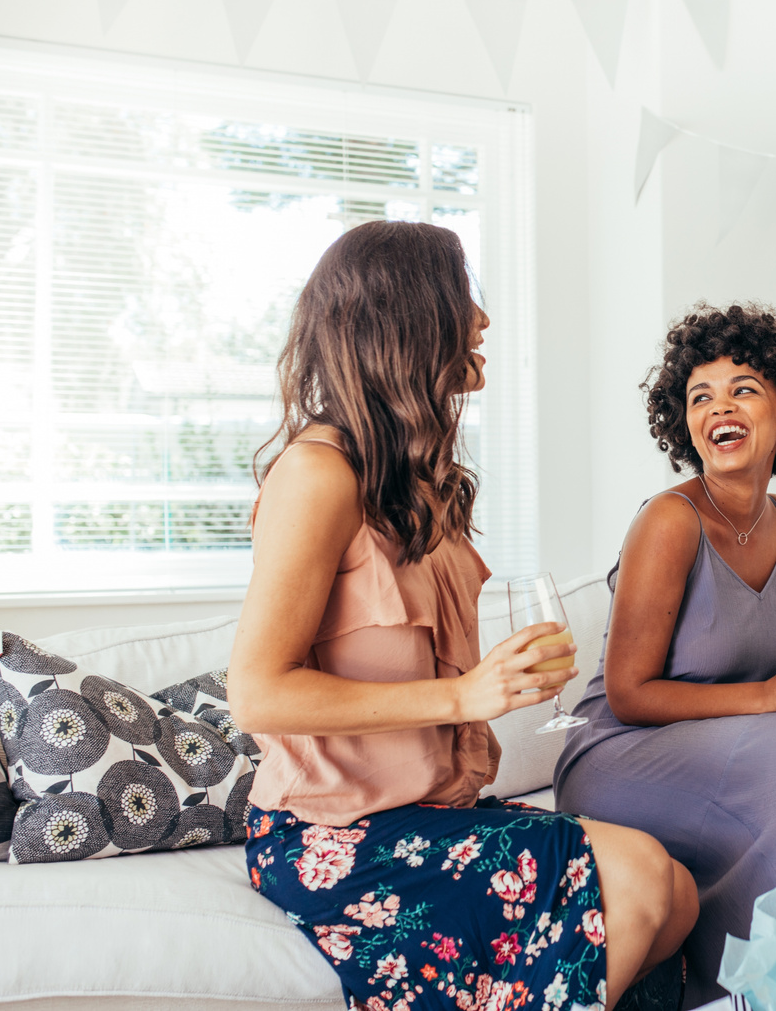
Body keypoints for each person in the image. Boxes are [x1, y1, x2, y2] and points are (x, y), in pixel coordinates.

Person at [228, 222, 697, 1011]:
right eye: (466, 300)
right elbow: (259, 693)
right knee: (644, 877)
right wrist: (463, 696)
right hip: (338, 837)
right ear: (409, 319)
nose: (482, 322)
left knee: (679, 895)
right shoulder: (317, 474)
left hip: (434, 815)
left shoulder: (421, 483)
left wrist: (490, 678)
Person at [554, 304, 776, 1007]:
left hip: (735, 743)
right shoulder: (669, 520)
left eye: (743, 388)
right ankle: (773, 989)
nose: (720, 407)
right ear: (685, 424)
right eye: (700, 397)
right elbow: (628, 694)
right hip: (623, 751)